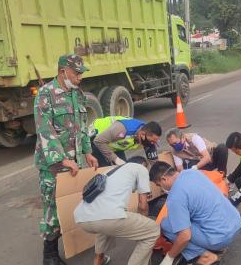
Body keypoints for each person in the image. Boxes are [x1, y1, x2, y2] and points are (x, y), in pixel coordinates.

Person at [34, 54, 99, 265]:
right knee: (52, 208)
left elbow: (82, 127)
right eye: (77, 72)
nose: (80, 76)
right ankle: (49, 255)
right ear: (64, 72)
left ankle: (72, 241)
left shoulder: (77, 94)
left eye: (81, 73)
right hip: (53, 165)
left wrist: (88, 152)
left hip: (75, 162)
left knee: (71, 204)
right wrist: (62, 160)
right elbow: (45, 130)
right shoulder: (46, 94)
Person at [149, 161, 241, 265]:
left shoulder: (175, 197)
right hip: (236, 222)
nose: (161, 188)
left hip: (221, 237)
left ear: (163, 179)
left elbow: (185, 236)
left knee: (166, 224)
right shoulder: (192, 173)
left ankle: (206, 256)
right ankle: (214, 245)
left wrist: (169, 257)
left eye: (159, 185)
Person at [74, 157, 159, 265]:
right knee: (152, 230)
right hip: (105, 218)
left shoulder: (111, 170)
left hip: (82, 218)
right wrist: (143, 225)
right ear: (143, 164)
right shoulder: (140, 168)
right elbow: (142, 205)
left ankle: (99, 260)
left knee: (106, 223)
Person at [91, 116, 162, 167]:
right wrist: (115, 159)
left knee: (124, 169)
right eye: (152, 141)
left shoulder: (149, 137)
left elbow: (154, 163)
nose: (152, 144)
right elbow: (98, 141)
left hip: (116, 143)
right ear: (142, 134)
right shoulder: (122, 129)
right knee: (106, 171)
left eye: (154, 142)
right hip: (97, 139)